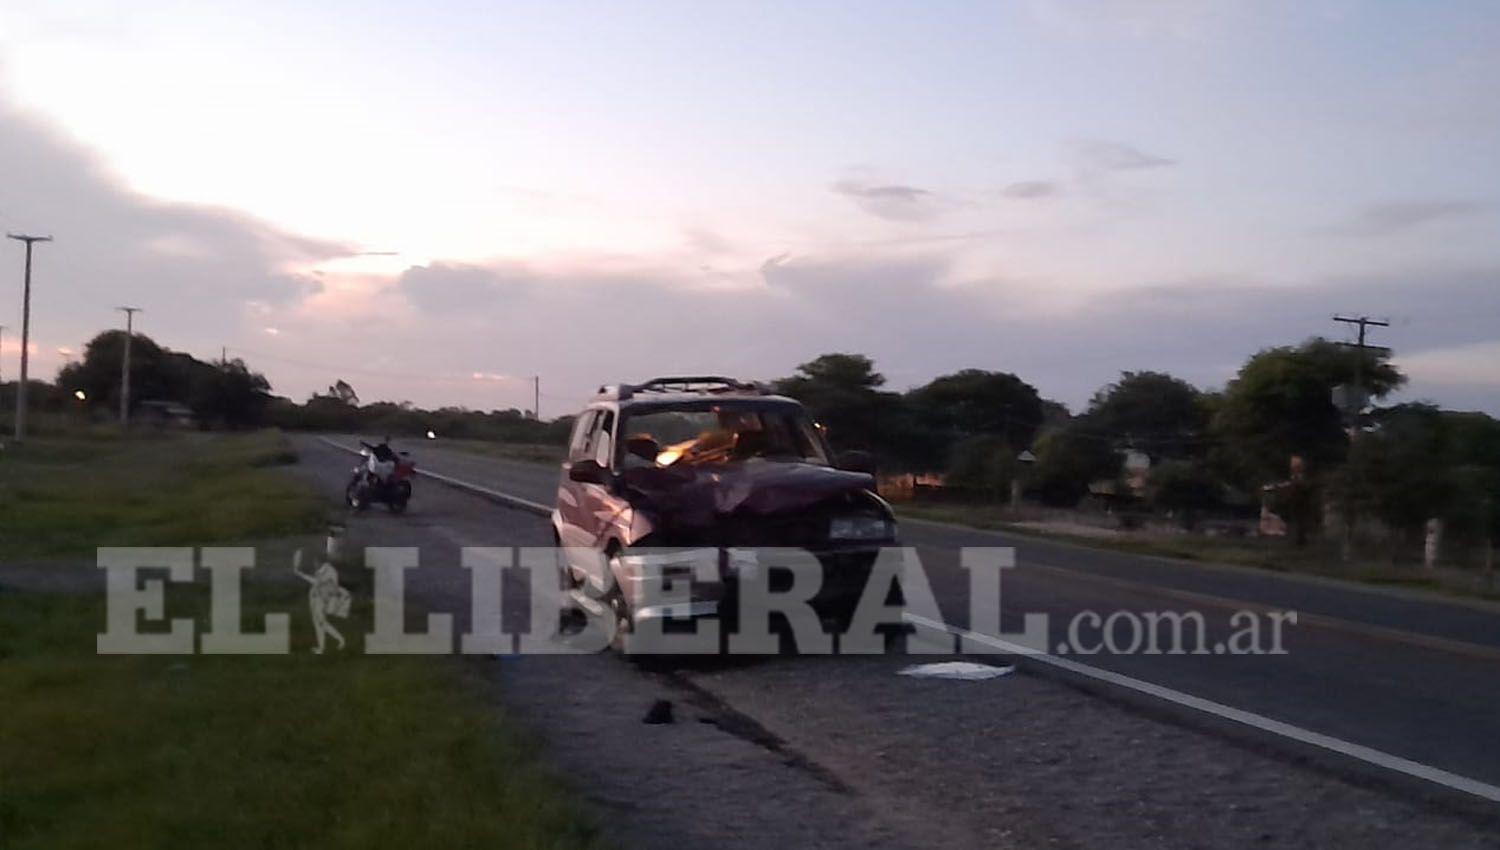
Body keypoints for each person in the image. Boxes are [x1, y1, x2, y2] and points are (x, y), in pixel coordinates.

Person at [292, 550, 350, 654]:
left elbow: (319, 583)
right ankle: (321, 648)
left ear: (321, 561)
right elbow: (316, 583)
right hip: (315, 597)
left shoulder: (330, 571)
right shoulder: (321, 570)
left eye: (316, 561)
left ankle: (341, 639)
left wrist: (301, 575)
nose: (315, 563)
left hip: (322, 599)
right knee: (317, 623)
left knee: (321, 622)